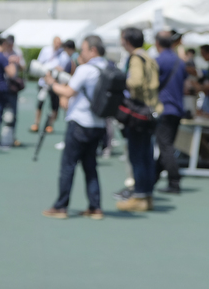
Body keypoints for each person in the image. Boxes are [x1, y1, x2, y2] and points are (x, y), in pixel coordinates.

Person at [41, 35, 109, 220]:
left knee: (68, 165)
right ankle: (95, 208)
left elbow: (68, 92)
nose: (81, 53)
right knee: (90, 167)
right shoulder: (108, 67)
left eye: (84, 49)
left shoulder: (86, 69)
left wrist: (52, 83)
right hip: (99, 124)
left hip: (80, 122)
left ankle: (61, 207)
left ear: (92, 50)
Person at [116, 27, 160, 212]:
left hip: (138, 112)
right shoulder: (148, 57)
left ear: (127, 41)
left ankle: (139, 196)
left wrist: (120, 81)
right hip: (151, 110)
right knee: (147, 155)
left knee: (136, 155)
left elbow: (135, 81)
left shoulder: (135, 58)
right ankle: (147, 195)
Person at [154, 31, 188, 194]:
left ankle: (174, 181)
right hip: (177, 108)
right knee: (166, 146)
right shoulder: (179, 62)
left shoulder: (159, 61)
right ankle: (152, 179)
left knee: (165, 147)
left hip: (164, 108)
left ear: (157, 43)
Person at [30, 36, 70, 134]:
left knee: (54, 106)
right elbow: (39, 63)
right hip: (43, 82)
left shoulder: (64, 55)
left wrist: (56, 71)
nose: (58, 44)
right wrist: (46, 73)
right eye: (56, 42)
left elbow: (63, 70)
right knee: (40, 103)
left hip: (55, 83)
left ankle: (50, 125)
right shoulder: (46, 50)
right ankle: (36, 123)